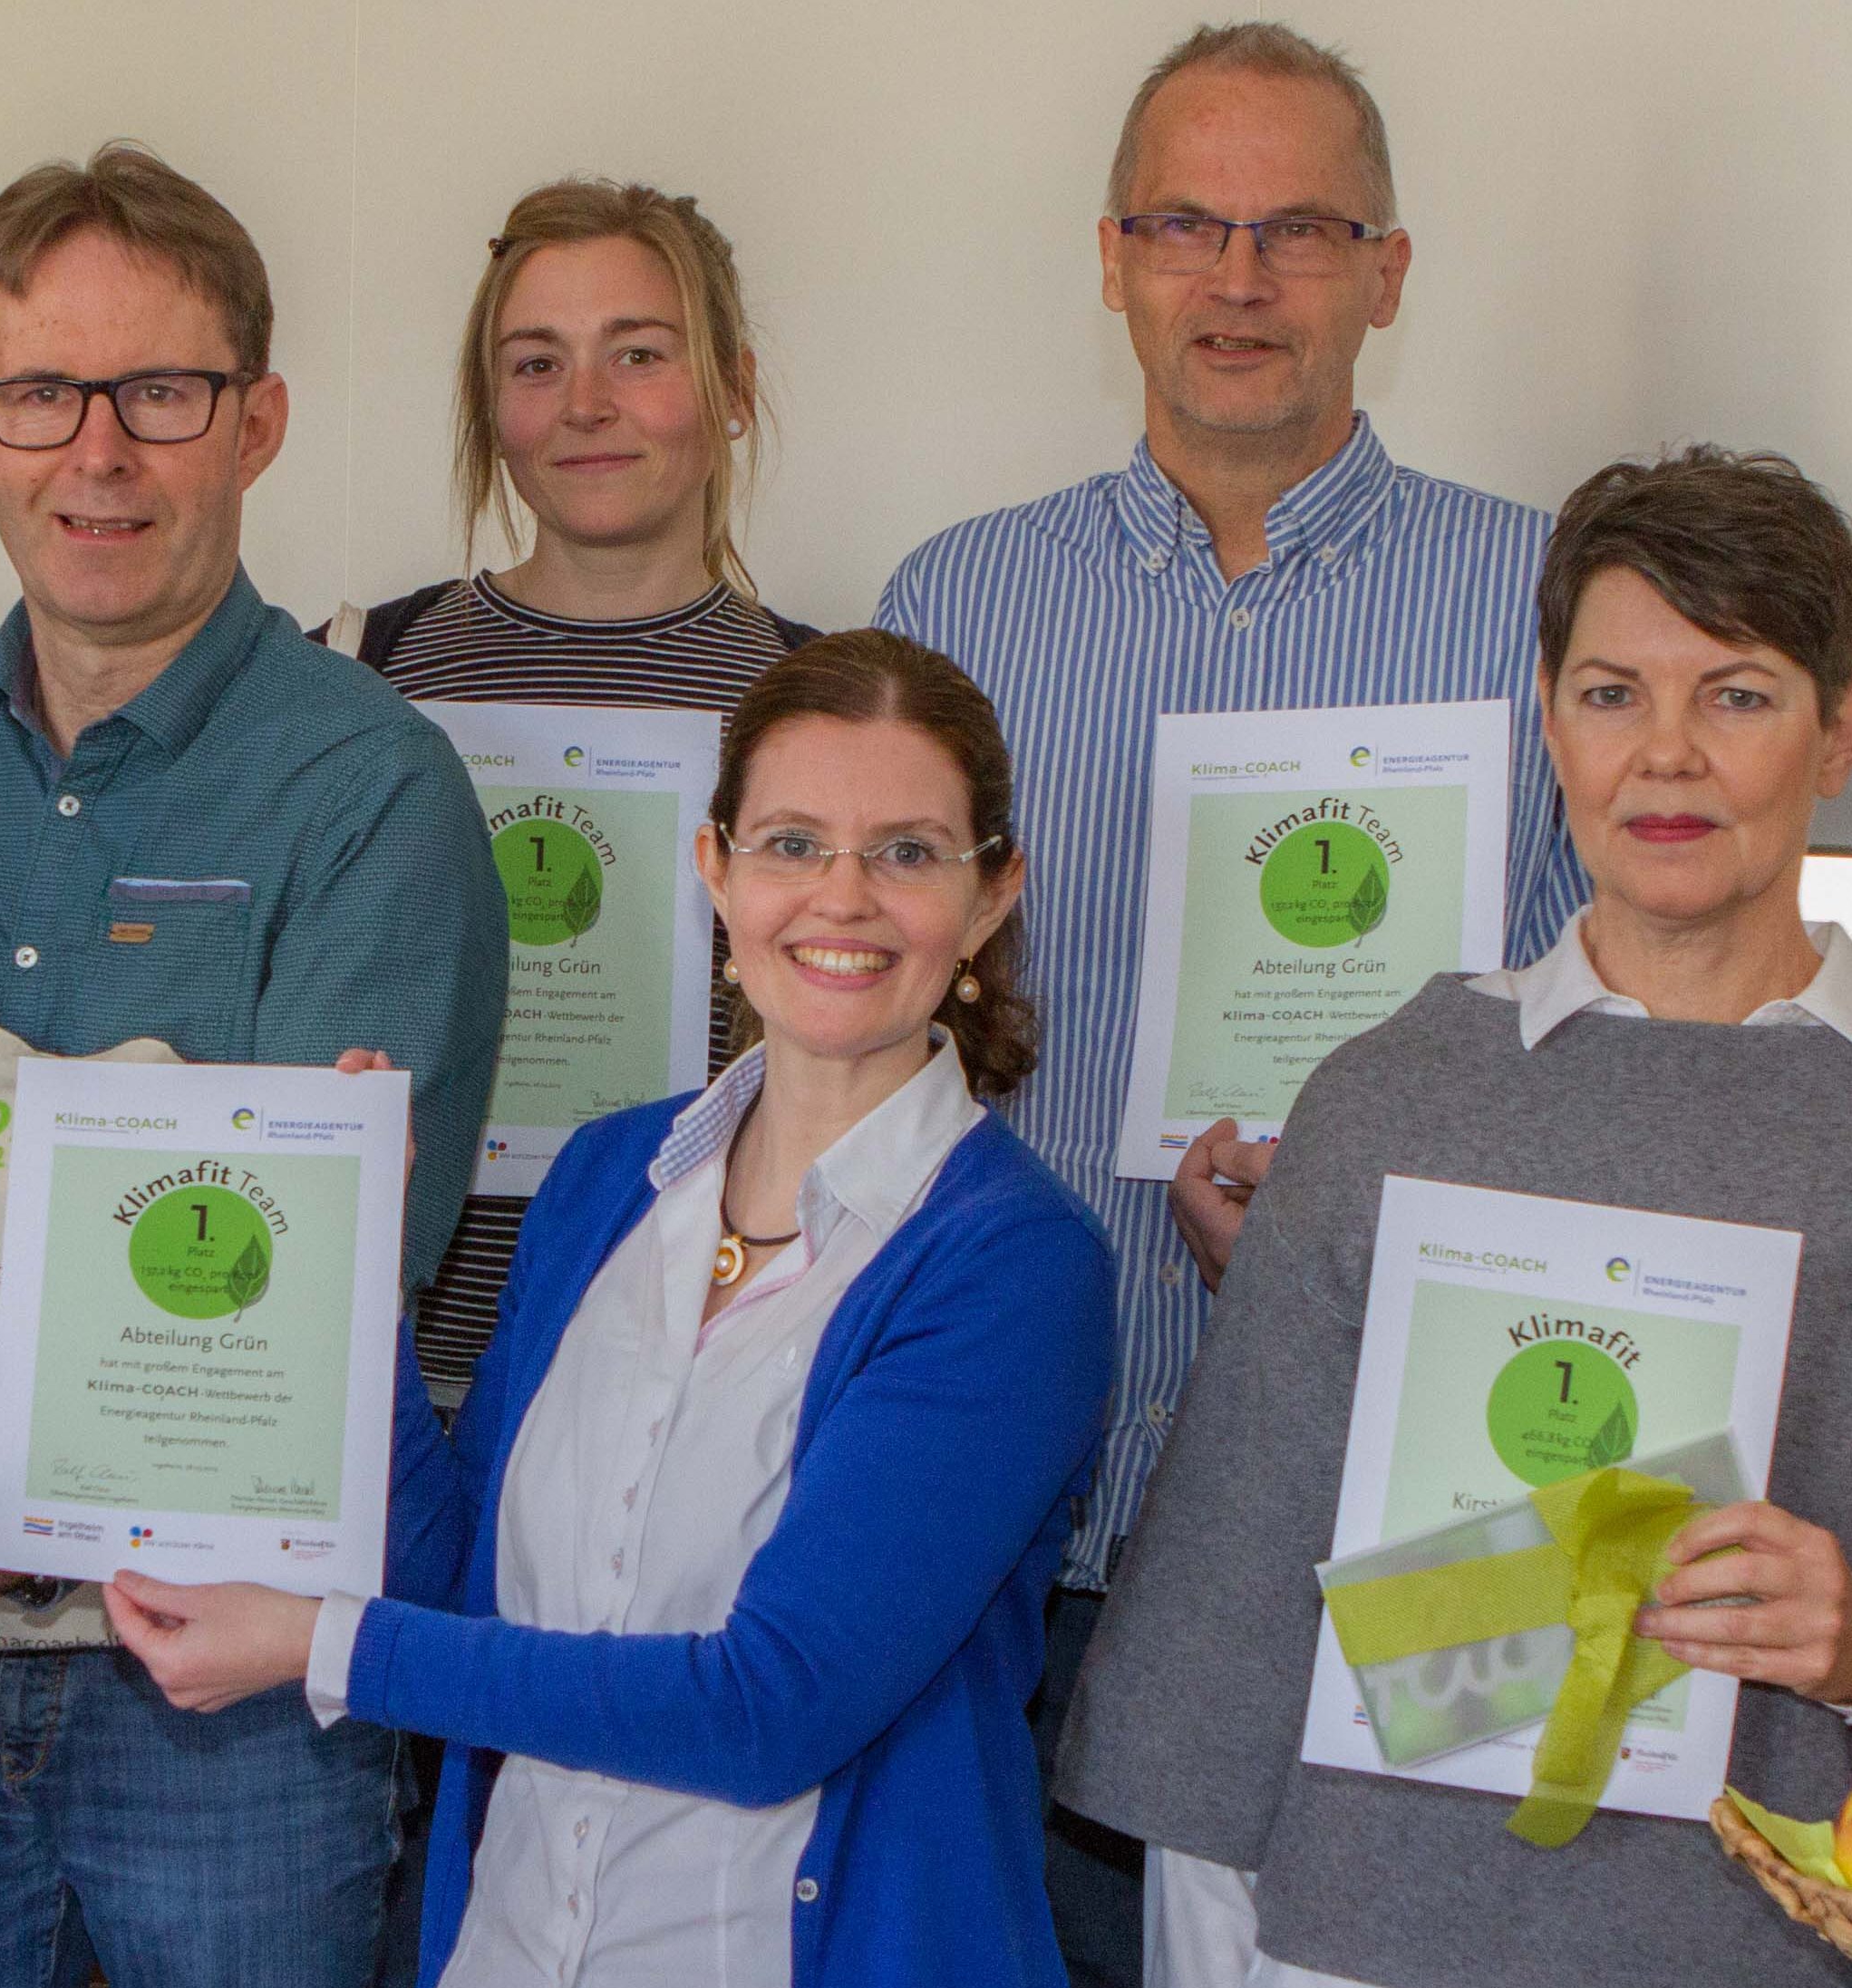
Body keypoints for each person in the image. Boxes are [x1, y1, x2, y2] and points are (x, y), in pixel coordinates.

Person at [1059, 448, 1852, 1987]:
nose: (1666, 756)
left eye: (1736, 694)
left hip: (1781, 1946)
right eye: (1610, 694)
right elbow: (1231, 1613)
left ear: (1838, 729)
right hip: (1363, 1945)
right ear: (1546, 716)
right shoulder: (1395, 1096)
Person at [868, 26, 1592, 1970]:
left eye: (1298, 228)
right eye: (1187, 222)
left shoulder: (1549, 614)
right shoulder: (952, 607)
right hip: (1018, 1507)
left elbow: (1606, 1054)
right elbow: (867, 1039)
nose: (1239, 275)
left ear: (1387, 268)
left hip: (1410, 1535)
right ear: (1107, 255)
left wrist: (1353, 1198)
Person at [0, 143, 510, 1988]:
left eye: (159, 392)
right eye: (39, 392)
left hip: (229, 1696)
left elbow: (298, 1304)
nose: (96, 451)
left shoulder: (373, 784)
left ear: (253, 421)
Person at [112, 630, 1116, 1988]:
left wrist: (317, 1644)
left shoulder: (1012, 1262)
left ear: (991, 897)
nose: (843, 896)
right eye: (791, 843)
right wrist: (350, 1279)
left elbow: (770, 1705)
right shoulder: (603, 1180)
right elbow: (462, 1582)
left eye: (908, 852)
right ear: (714, 869)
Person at [327, 173, 819, 1401]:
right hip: (396, 1382)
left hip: (687, 1396)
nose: (586, 406)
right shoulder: (358, 671)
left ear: (734, 389)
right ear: (488, 406)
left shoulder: (817, 703)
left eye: (638, 353)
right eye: (535, 363)